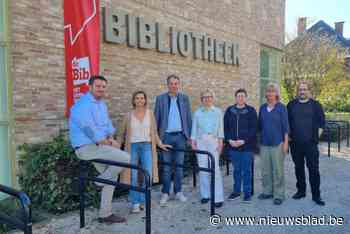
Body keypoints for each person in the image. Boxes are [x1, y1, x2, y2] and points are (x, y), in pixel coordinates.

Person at [69, 75, 130, 224]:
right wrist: (109, 142)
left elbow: (107, 125)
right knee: (126, 158)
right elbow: (90, 130)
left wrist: (111, 137)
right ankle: (99, 182)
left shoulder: (102, 104)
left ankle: (105, 214)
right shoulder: (81, 105)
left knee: (112, 175)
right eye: (98, 86)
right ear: (90, 87)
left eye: (103, 86)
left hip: (100, 146)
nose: (101, 89)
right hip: (86, 147)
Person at [118, 91, 171, 213]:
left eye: (142, 98)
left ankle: (144, 200)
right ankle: (135, 202)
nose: (140, 100)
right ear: (134, 100)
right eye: (137, 98)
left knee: (148, 173)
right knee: (133, 175)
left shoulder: (150, 114)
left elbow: (155, 132)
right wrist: (116, 145)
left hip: (147, 146)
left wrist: (160, 144)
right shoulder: (128, 115)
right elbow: (121, 134)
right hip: (132, 147)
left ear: (145, 100)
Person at [154, 74, 192, 206]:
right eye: (172, 83)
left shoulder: (184, 98)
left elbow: (188, 118)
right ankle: (165, 192)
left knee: (180, 167)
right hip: (166, 137)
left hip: (180, 137)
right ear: (168, 85)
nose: (174, 85)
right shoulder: (160, 99)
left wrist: (189, 137)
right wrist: (157, 138)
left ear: (179, 85)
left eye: (176, 83)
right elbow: (156, 119)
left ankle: (178, 191)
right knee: (166, 167)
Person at [287, 81, 326, 206]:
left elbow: (321, 123)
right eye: (300, 89)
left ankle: (316, 195)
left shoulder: (316, 105)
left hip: (310, 144)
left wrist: (316, 138)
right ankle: (301, 191)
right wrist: (289, 139)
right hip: (295, 144)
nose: (302, 92)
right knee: (298, 168)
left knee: (313, 169)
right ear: (297, 91)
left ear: (309, 91)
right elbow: (286, 123)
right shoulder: (291, 105)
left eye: (304, 89)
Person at [191, 89, 225, 208]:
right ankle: (205, 195)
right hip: (200, 141)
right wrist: (193, 142)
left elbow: (221, 129)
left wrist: (220, 143)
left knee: (215, 168)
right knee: (203, 168)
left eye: (209, 97)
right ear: (201, 99)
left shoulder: (218, 112)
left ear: (212, 98)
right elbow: (194, 128)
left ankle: (218, 197)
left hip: (213, 140)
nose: (207, 99)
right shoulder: (197, 113)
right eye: (205, 97)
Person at [224, 88, 258, 202]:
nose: (240, 98)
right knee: (237, 170)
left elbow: (254, 129)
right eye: (238, 96)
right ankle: (236, 191)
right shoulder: (230, 110)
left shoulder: (251, 111)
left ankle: (247, 193)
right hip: (233, 146)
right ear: (235, 97)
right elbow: (225, 127)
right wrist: (229, 140)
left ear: (245, 97)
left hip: (247, 146)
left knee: (247, 170)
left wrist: (244, 140)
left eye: (243, 96)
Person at [258, 83, 289, 205]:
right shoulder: (262, 108)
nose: (270, 93)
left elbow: (286, 127)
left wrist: (286, 143)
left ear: (277, 93)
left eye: (273, 91)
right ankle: (267, 191)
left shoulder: (282, 108)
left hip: (278, 143)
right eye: (268, 91)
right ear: (266, 94)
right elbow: (260, 126)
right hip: (265, 143)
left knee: (278, 170)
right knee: (265, 170)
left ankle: (279, 194)